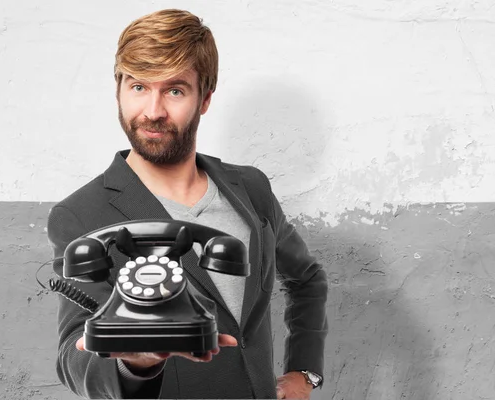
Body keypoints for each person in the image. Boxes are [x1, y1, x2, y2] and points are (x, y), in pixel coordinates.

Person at [46, 8, 328, 400]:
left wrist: (303, 372)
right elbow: (72, 353)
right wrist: (134, 362)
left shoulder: (251, 188)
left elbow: (308, 279)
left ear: (205, 98)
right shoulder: (79, 215)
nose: (153, 111)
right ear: (118, 90)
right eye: (138, 87)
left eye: (174, 90)